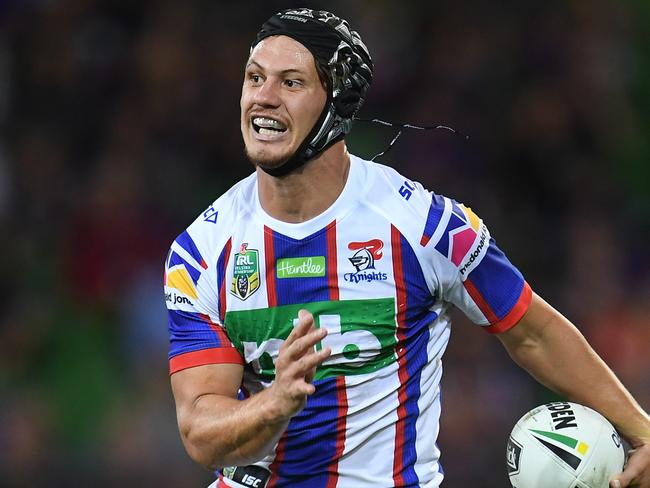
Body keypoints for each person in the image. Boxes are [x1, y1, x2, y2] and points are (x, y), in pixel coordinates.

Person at [164, 8, 650, 488]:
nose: (263, 98)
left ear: (337, 106)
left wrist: (641, 432)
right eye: (254, 78)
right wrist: (274, 404)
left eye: (291, 83)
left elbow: (532, 332)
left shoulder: (427, 226)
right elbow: (200, 433)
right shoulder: (201, 253)